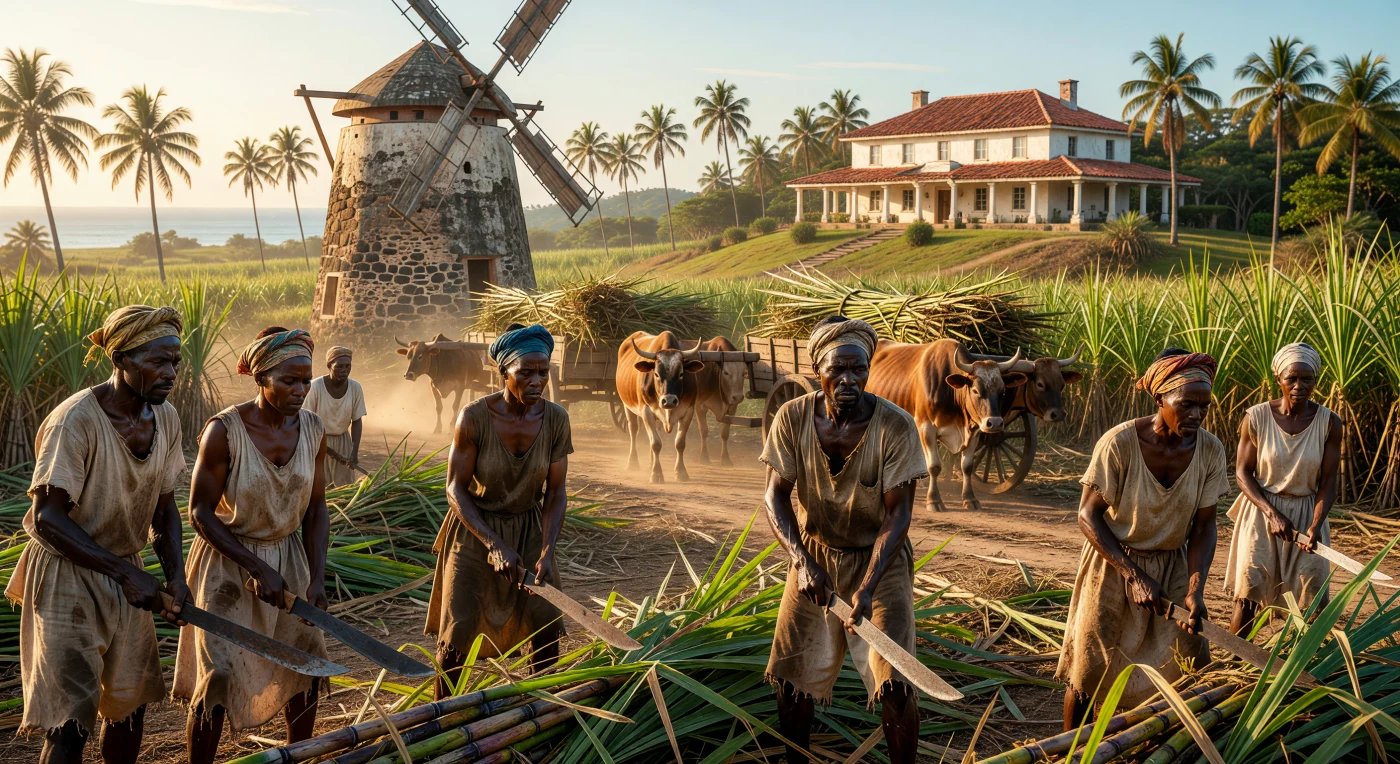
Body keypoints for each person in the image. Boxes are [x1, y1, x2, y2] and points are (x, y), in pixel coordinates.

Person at [7, 306, 188, 764]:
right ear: (122, 359)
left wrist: (176, 577)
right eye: (158, 362)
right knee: (70, 723)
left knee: (129, 710)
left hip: (127, 569)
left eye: (175, 363)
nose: (170, 374)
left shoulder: (164, 420)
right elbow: (48, 518)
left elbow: (165, 509)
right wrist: (123, 575)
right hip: (67, 574)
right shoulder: (77, 421)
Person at [760, 317, 928, 764]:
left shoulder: (895, 426)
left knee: (893, 682)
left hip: (880, 561)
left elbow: (899, 514)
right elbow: (775, 498)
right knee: (793, 679)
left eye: (859, 369)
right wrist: (800, 561)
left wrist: (869, 586)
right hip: (813, 556)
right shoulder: (793, 417)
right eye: (839, 370)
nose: (849, 379)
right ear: (819, 369)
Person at [175, 328, 329, 764]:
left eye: (306, 381)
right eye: (289, 381)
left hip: (291, 559)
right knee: (219, 673)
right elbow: (201, 513)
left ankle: (298, 755)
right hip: (227, 562)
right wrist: (256, 568)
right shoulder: (224, 431)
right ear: (261, 377)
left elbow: (317, 510)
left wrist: (316, 578)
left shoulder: (314, 430)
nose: (300, 391)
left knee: (306, 663)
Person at [1058, 348, 1228, 729]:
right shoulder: (1119, 444)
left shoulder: (1210, 450)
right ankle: (1069, 750)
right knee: (1089, 668)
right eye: (1186, 405)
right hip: (1113, 561)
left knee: (1187, 662)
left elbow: (1204, 527)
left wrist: (1196, 590)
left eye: (1204, 407)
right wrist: (1133, 575)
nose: (1197, 416)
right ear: (1159, 399)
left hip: (1173, 565)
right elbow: (1087, 516)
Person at [425, 323, 571, 699]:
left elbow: (555, 493)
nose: (537, 381)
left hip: (529, 528)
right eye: (526, 372)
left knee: (545, 622)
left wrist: (548, 551)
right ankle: (442, 715)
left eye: (544, 372)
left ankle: (541, 708)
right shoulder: (473, 418)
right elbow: (454, 488)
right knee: (458, 632)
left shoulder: (555, 420)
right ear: (503, 372)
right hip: (474, 528)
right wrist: (492, 544)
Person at [1225, 343, 1341, 633]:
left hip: (1307, 513)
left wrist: (1315, 524)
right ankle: (1236, 663)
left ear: (1316, 381)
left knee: (1311, 593)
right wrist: (1271, 513)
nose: (1299, 385)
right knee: (1249, 593)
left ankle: (1308, 668)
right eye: (1292, 378)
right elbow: (1242, 473)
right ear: (1278, 379)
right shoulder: (1257, 417)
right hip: (1260, 511)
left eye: (1307, 379)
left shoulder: (1329, 423)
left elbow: (1328, 481)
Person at [304, 345, 367, 487]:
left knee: (343, 485)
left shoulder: (355, 388)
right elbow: (306, 421)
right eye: (339, 366)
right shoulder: (315, 387)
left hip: (343, 441)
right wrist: (323, 447)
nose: (344, 370)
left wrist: (354, 452)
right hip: (317, 441)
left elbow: (357, 420)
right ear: (329, 365)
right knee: (320, 484)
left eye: (347, 366)